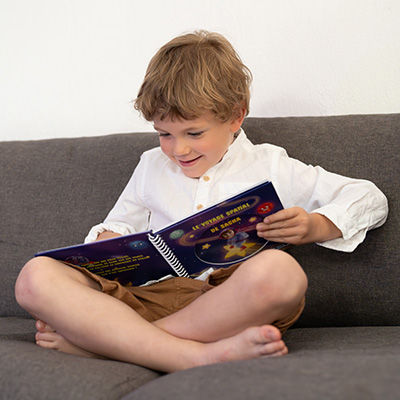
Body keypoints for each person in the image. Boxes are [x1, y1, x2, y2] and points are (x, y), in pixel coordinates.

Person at [15, 30, 388, 373]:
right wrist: (108, 242)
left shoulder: (271, 164)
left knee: (282, 272)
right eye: (165, 134)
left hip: (226, 300)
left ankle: (111, 345)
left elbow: (369, 197)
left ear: (235, 116)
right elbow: (121, 224)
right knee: (35, 277)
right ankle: (192, 355)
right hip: (148, 295)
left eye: (194, 132)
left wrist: (315, 225)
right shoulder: (150, 165)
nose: (178, 149)